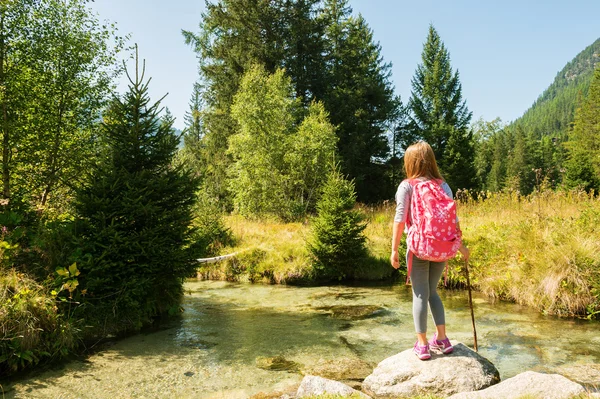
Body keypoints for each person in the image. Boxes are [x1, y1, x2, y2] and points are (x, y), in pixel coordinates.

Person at [390, 141, 470, 360]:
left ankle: (423, 344)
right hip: (442, 247)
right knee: (432, 292)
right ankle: (443, 339)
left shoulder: (407, 186)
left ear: (410, 162)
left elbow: (399, 219)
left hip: (419, 247)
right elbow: (453, 220)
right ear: (432, 161)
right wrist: (460, 246)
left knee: (419, 294)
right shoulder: (444, 186)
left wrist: (394, 249)